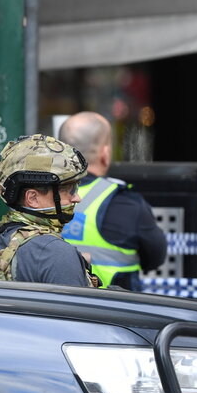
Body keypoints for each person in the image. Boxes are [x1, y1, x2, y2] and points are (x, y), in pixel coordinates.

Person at [58, 111, 167, 290]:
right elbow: (155, 258)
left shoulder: (39, 196)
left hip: (52, 307)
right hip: (113, 312)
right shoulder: (126, 202)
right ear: (105, 153)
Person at [0, 134, 94, 286]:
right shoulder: (55, 253)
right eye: (69, 190)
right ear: (32, 198)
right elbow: (79, 309)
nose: (77, 198)